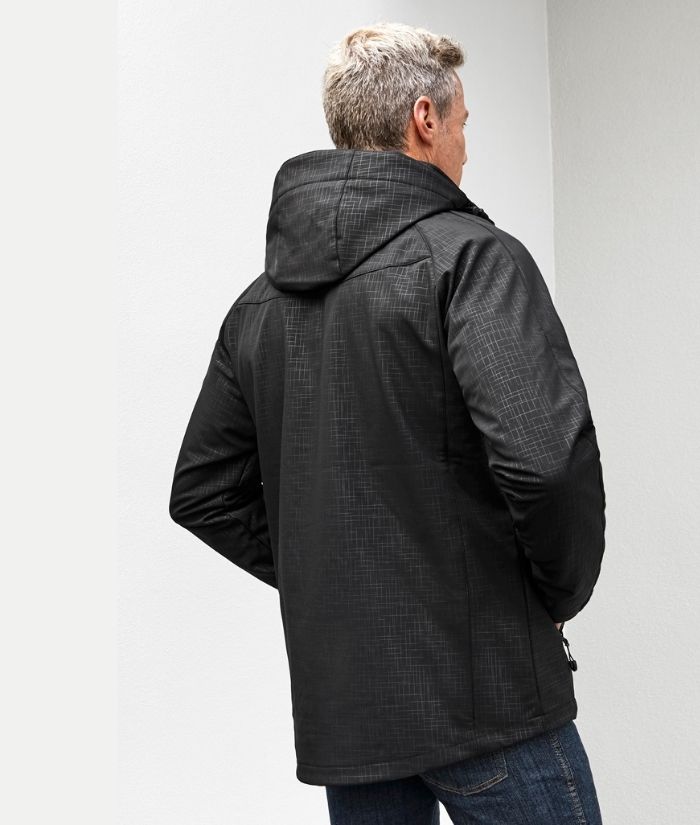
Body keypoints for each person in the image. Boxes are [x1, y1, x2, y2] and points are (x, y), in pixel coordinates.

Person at [169, 20, 607, 825]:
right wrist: (554, 593)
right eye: (463, 121)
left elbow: (204, 490)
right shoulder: (473, 260)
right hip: (488, 695)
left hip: (352, 711)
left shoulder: (256, 307)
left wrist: (342, 581)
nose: (467, 145)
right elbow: (548, 464)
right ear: (424, 119)